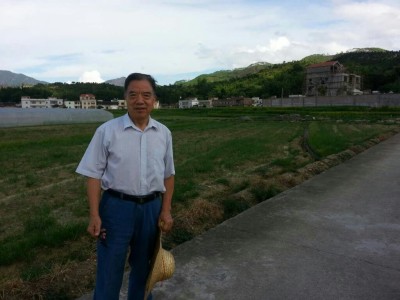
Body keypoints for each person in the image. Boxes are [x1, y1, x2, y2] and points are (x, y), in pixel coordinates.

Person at [76, 73, 175, 300]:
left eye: (146, 95)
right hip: (115, 209)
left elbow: (168, 175)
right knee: (110, 270)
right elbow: (93, 175)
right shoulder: (107, 131)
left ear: (154, 99)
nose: (140, 100)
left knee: (145, 269)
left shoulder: (163, 133)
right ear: (125, 98)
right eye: (133, 94)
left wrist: (166, 210)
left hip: (151, 208)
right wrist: (94, 214)